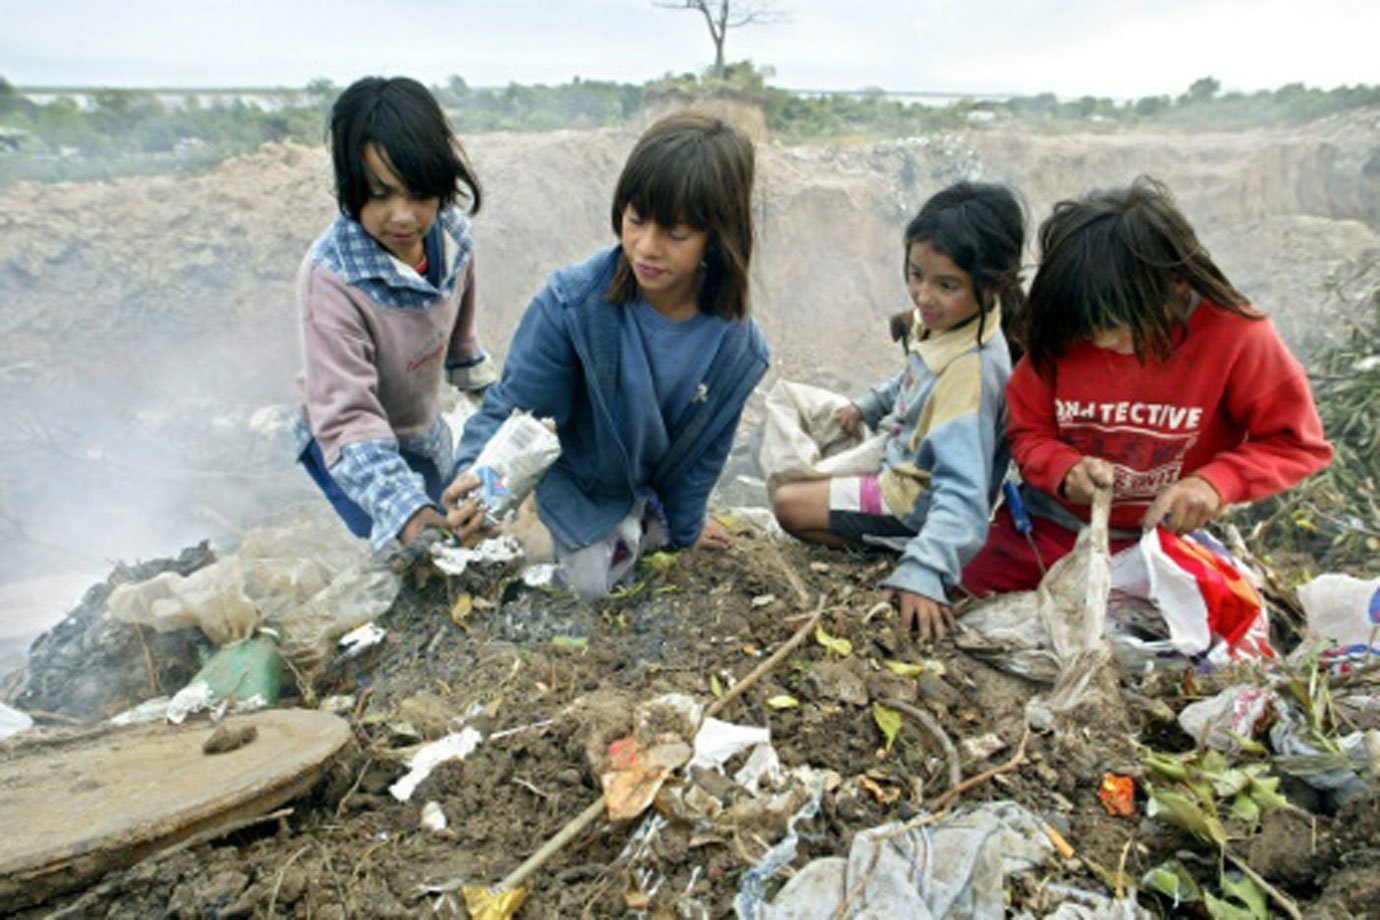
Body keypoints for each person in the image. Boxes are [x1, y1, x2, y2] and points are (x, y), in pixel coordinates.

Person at [444, 112, 768, 601]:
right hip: (583, 485)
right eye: (636, 220)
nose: (646, 247)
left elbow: (705, 455)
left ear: (717, 236)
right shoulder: (573, 308)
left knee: (659, 548)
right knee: (589, 586)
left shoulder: (736, 349)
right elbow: (514, 407)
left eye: (676, 233)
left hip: (646, 488)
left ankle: (648, 522)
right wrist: (475, 481)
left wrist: (687, 526)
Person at [961, 176, 1333, 595]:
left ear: (1175, 283)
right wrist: (1065, 470)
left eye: (1116, 324)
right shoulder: (1065, 328)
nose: (1100, 341)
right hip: (1046, 531)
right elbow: (1028, 431)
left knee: (1197, 640)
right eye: (1089, 328)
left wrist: (1213, 483)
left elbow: (1295, 442)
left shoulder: (1236, 337)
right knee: (959, 598)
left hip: (1167, 547)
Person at [772, 182, 1026, 639]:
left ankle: (904, 542)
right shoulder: (954, 324)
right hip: (902, 457)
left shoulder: (970, 374)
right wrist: (869, 405)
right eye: (915, 275)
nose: (924, 296)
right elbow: (914, 373)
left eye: (946, 285)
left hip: (913, 499)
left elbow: (964, 495)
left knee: (789, 504)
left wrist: (926, 570)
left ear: (993, 285)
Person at [293, 76, 497, 553]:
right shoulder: (332, 280)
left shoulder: (452, 240)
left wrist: (502, 410)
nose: (403, 217)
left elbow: (462, 347)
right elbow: (348, 418)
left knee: (461, 524)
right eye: (380, 194)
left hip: (419, 430)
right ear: (350, 186)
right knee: (402, 549)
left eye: (418, 193)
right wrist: (408, 514)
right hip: (346, 441)